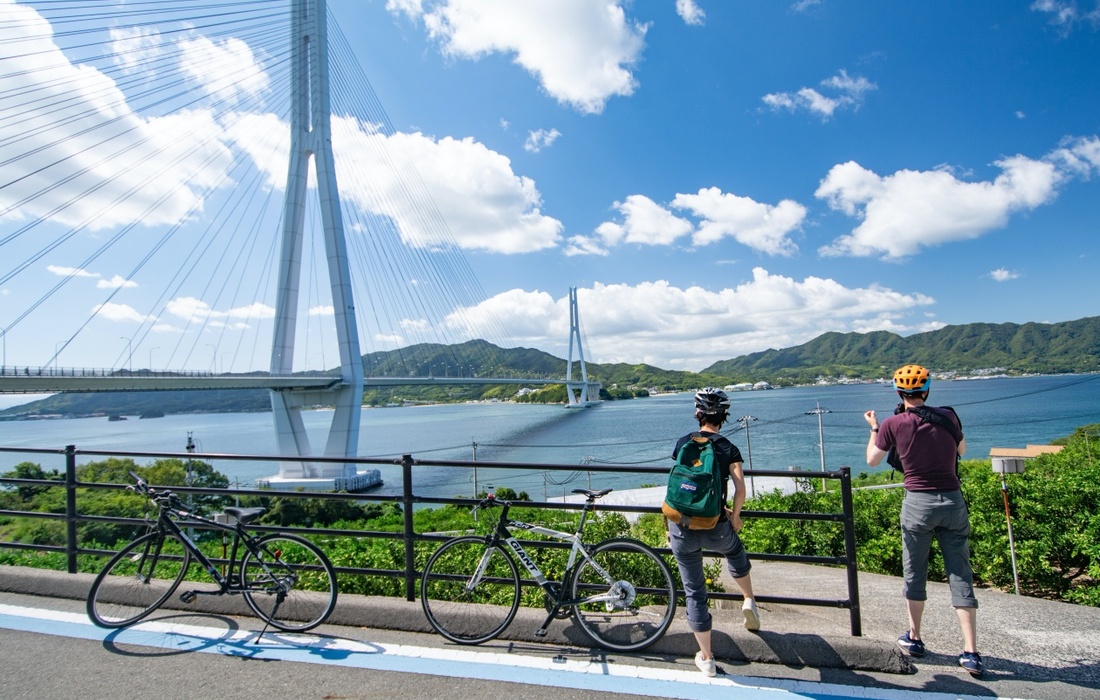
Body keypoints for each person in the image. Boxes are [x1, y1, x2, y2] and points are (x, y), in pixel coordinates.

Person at [864, 364, 982, 677]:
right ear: (926, 390)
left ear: (899, 392)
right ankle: (971, 652)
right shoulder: (949, 417)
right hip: (952, 501)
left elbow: (872, 460)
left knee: (915, 571)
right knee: (960, 572)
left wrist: (875, 428)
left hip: (917, 504)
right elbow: (963, 451)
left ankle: (914, 637)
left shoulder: (892, 423)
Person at [668, 387, 760, 678]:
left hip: (681, 525)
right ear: (724, 416)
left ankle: (706, 658)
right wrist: (735, 517)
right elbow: (740, 488)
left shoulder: (684, 442)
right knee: (734, 551)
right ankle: (748, 599)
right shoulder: (727, 447)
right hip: (714, 523)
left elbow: (681, 485)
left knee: (694, 591)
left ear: (697, 414)